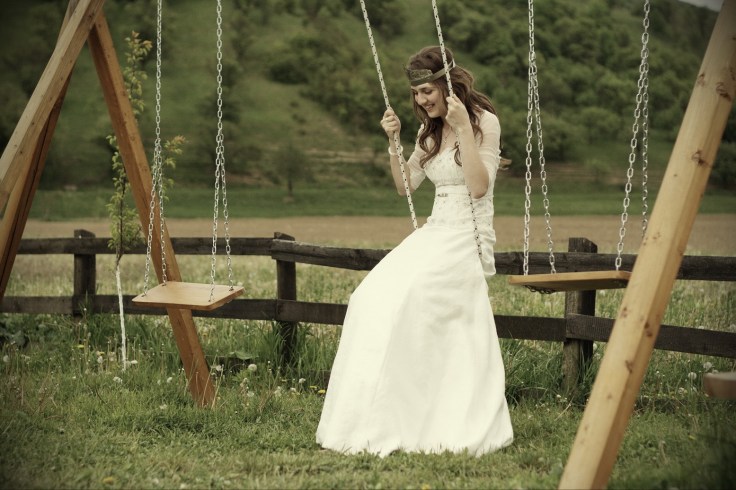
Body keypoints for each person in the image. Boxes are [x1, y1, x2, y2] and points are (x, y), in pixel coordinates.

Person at [316, 46, 513, 456]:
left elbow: (479, 187)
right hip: (435, 231)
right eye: (416, 94)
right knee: (369, 296)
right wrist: (394, 141)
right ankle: (386, 413)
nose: (422, 100)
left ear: (447, 85)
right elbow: (405, 187)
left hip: (466, 235)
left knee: (414, 298)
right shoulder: (429, 131)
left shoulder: (482, 122)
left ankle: (436, 413)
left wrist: (463, 128)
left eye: (427, 91)